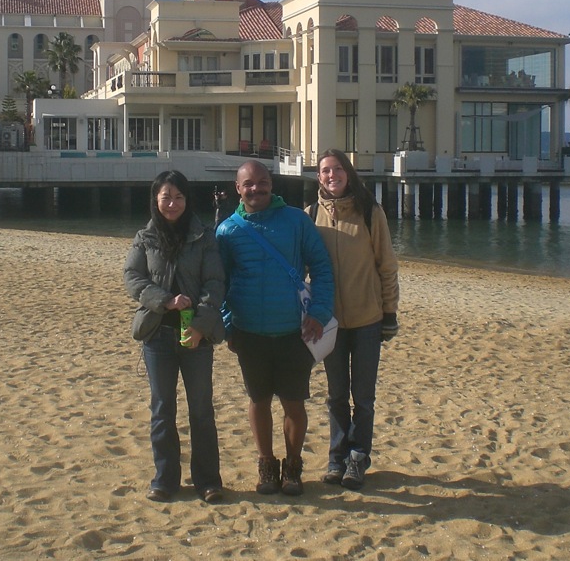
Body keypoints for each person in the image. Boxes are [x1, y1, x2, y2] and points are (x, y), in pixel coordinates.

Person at [216, 160, 334, 496]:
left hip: (295, 331)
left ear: (272, 183)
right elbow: (218, 283)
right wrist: (228, 326)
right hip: (249, 331)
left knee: (294, 402)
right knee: (259, 400)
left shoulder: (296, 220)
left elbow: (322, 268)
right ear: (238, 189)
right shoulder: (228, 230)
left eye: (262, 182)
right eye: (248, 184)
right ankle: (267, 464)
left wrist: (321, 313)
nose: (256, 189)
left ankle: (293, 466)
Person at [124, 170, 227, 504]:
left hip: (195, 335)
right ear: (156, 199)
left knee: (201, 409)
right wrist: (164, 299)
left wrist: (200, 325)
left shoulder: (203, 236)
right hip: (158, 335)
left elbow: (215, 284)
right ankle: (165, 479)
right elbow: (133, 278)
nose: (172, 204)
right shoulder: (146, 237)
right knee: (162, 409)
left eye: (179, 197)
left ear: (187, 199)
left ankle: (208, 480)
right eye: (166, 196)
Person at [309, 149, 399, 491]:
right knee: (334, 395)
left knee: (363, 396)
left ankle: (358, 458)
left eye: (337, 169)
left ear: (347, 173)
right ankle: (337, 458)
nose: (331, 175)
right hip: (328, 322)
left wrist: (389, 312)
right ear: (318, 177)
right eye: (325, 171)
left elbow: (387, 266)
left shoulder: (370, 212)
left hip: (366, 318)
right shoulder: (310, 215)